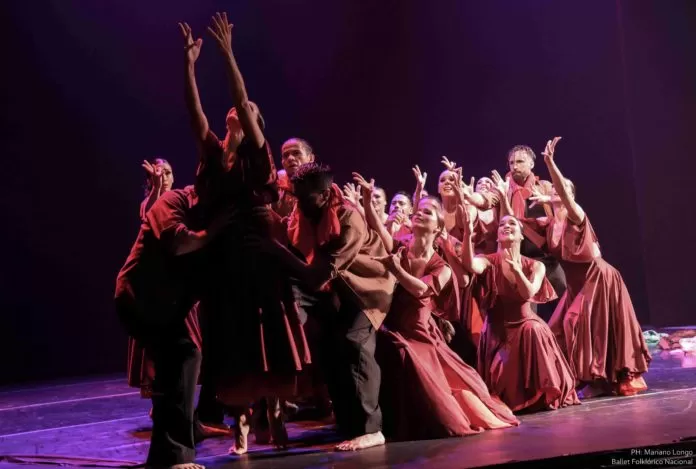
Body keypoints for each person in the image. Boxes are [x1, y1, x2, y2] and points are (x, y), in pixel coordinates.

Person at [180, 14, 310, 453]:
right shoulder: (215, 158)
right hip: (225, 254)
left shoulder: (257, 157)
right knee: (234, 338)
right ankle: (240, 418)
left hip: (258, 251)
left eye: (249, 110)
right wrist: (190, 65)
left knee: (265, 332)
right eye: (235, 109)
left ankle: (274, 410)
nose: (238, 108)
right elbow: (195, 115)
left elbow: (242, 95)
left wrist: (229, 53)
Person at [352, 173, 519, 440]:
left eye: (428, 213)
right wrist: (369, 201)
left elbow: (421, 289)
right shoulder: (402, 247)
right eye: (419, 211)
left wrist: (397, 270)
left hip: (418, 333)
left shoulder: (440, 267)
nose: (419, 214)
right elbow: (380, 230)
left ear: (438, 229)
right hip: (393, 325)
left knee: (411, 359)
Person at [247, 163, 396, 451]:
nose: (299, 204)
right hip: (338, 290)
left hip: (370, 290)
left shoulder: (348, 219)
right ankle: (348, 424)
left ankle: (372, 429)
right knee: (330, 350)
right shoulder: (305, 212)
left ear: (326, 194)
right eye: (297, 196)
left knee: (354, 342)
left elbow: (316, 276)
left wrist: (275, 250)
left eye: (306, 198)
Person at [523, 137, 651, 397]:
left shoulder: (576, 215)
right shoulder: (549, 224)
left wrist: (549, 163)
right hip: (576, 284)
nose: (556, 194)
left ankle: (596, 379)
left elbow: (563, 193)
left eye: (562, 191)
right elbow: (514, 223)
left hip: (598, 277)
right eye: (555, 191)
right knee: (556, 329)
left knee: (577, 324)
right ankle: (580, 380)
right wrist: (504, 194)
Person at [115, 184, 231, 469]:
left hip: (169, 303)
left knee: (178, 363)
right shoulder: (174, 200)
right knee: (183, 355)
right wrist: (212, 232)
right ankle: (174, 455)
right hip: (142, 297)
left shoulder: (212, 212)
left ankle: (168, 455)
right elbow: (178, 242)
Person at [458, 208, 580, 413]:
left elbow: (529, 292)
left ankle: (541, 393)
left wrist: (516, 270)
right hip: (497, 332)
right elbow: (471, 265)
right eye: (502, 224)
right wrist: (467, 234)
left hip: (525, 326)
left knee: (533, 329)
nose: (506, 226)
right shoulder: (488, 260)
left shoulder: (535, 266)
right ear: (497, 235)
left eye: (512, 224)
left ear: (521, 235)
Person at [127, 159, 203, 423]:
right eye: (160, 174)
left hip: (178, 285)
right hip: (158, 290)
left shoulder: (181, 201)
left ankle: (186, 412)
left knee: (189, 351)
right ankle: (166, 409)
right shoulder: (152, 202)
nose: (165, 176)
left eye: (168, 172)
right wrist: (157, 185)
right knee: (170, 351)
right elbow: (151, 212)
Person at [459, 147, 567, 321]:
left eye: (520, 161)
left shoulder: (544, 186)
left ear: (531, 164)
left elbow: (564, 198)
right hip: (517, 257)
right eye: (511, 163)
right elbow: (486, 200)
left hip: (545, 255)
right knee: (525, 309)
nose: (514, 166)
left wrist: (549, 198)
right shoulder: (503, 186)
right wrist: (472, 198)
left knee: (563, 299)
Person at [275, 138, 316, 217]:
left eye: (297, 153)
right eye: (285, 155)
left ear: (311, 158)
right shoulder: (274, 187)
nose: (290, 158)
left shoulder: (324, 188)